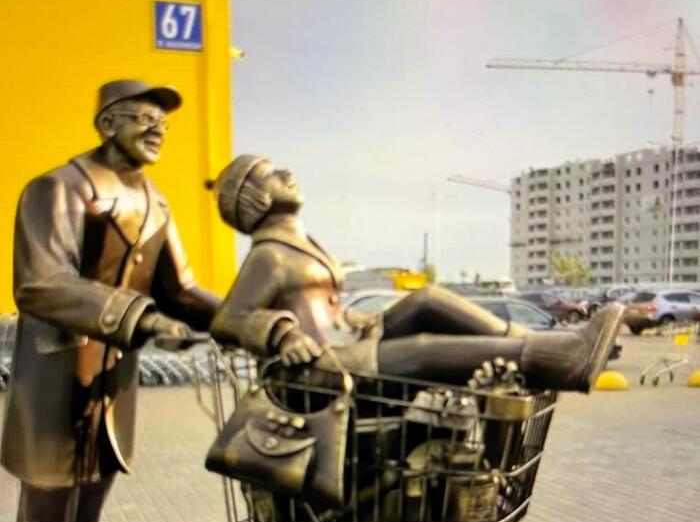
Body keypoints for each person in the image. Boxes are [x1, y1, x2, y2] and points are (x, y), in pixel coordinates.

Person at [1, 79, 220, 522]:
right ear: (107, 123)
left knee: (102, 466)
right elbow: (41, 284)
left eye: (163, 123)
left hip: (114, 363)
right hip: (58, 362)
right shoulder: (57, 188)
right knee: (51, 482)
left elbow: (180, 289)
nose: (158, 130)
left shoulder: (156, 201)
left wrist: (241, 321)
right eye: (144, 118)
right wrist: (144, 319)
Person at [208, 154, 623, 392]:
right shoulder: (268, 256)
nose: (287, 174)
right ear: (255, 197)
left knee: (427, 300)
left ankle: (546, 345)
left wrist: (352, 319)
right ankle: (561, 358)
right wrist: (283, 335)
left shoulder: (298, 245)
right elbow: (228, 320)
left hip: (350, 343)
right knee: (423, 350)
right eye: (271, 174)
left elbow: (318, 307)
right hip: (324, 368)